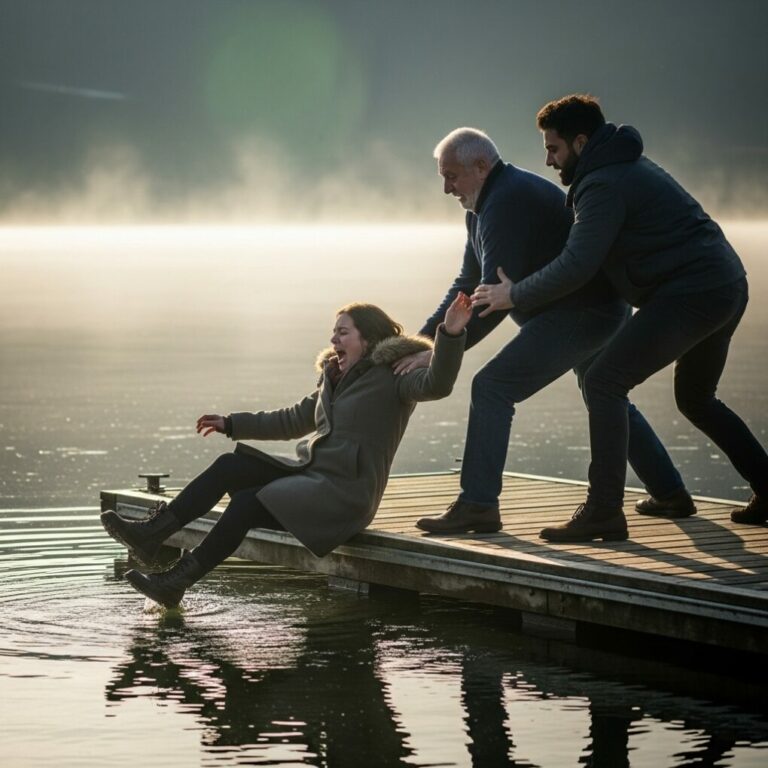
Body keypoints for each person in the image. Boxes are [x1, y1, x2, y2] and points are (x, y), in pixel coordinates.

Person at [472, 94, 768, 541]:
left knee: (604, 381)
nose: (548, 159)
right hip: (727, 284)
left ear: (580, 141)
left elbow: (578, 264)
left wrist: (514, 293)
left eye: (553, 148)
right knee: (695, 398)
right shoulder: (621, 167)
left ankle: (604, 511)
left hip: (693, 294)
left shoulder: (603, 185)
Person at [401, 127, 691, 537]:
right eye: (443, 177)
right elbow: (469, 284)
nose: (446, 188)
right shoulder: (482, 207)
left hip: (584, 313)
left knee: (492, 387)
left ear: (481, 166)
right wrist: (421, 342)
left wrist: (442, 351)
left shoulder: (506, 202)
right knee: (600, 389)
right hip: (589, 311)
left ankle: (477, 505)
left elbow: (489, 305)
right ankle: (670, 492)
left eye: (451, 176)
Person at [101, 296, 471, 607]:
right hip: (311, 477)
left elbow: (438, 383)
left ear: (369, 338)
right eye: (333, 333)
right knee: (232, 465)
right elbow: (293, 419)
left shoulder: (396, 377)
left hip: (345, 494)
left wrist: (451, 333)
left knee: (247, 502)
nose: (334, 339)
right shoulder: (333, 379)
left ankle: (175, 583)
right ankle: (152, 535)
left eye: (343, 332)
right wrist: (232, 423)